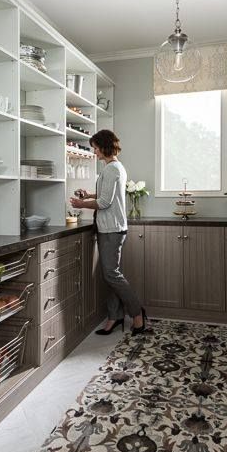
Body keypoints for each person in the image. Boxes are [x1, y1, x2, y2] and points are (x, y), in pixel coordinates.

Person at [70, 129, 147, 336]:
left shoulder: (111, 169)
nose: (94, 152)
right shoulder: (114, 167)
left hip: (112, 229)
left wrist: (81, 203)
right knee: (112, 275)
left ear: (103, 147)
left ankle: (137, 313)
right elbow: (106, 193)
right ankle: (115, 316)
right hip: (112, 228)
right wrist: (89, 194)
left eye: (95, 148)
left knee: (111, 274)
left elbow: (105, 202)